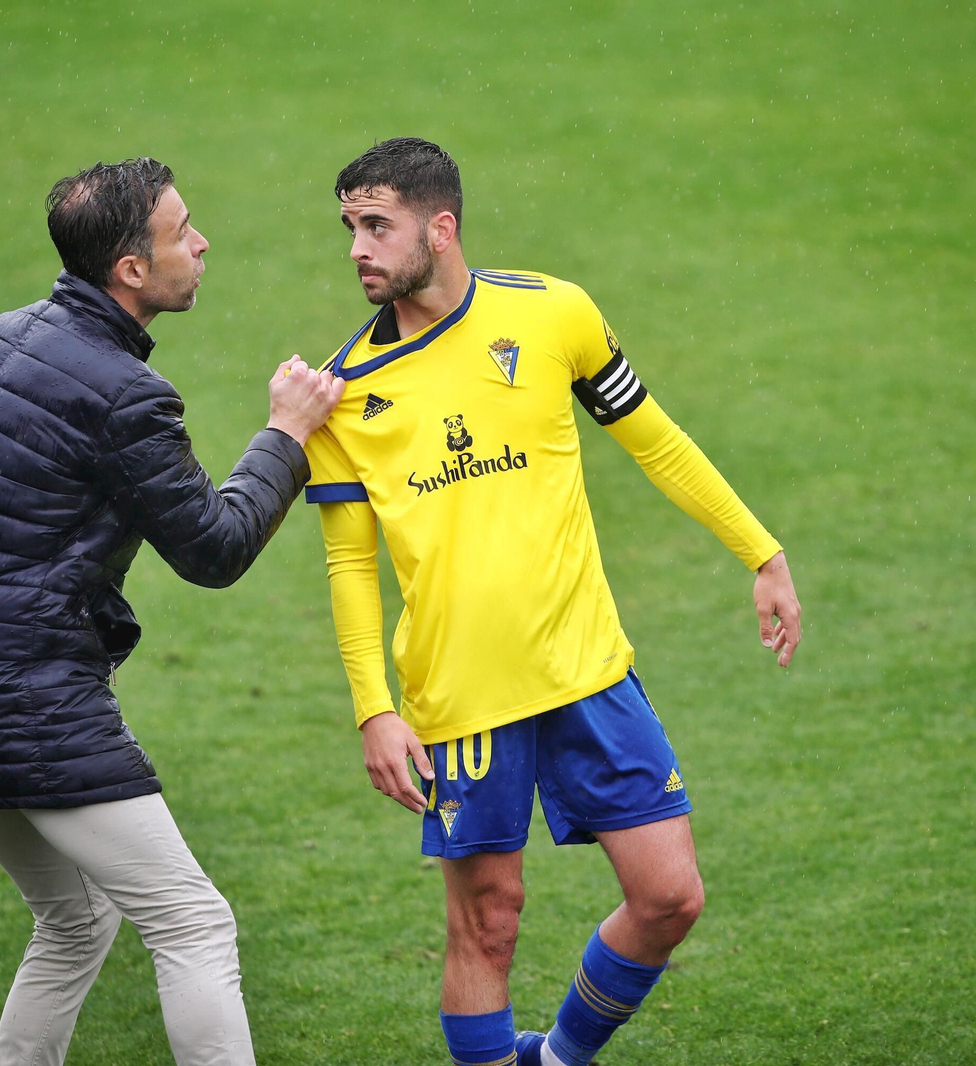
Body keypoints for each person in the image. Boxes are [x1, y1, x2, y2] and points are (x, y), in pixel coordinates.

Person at [302, 138, 803, 1066]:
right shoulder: (342, 397)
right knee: (489, 923)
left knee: (669, 898)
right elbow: (347, 567)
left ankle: (559, 1059)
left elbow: (655, 440)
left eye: (377, 226)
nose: (357, 250)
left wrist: (760, 551)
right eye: (349, 229)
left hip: (586, 669)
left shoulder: (552, 313)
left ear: (440, 227)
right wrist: (375, 707)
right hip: (462, 697)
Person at [0, 156, 344, 1066]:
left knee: (73, 920)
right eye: (181, 231)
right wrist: (287, 433)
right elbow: (214, 548)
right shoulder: (126, 396)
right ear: (130, 270)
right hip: (25, 699)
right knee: (194, 923)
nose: (201, 243)